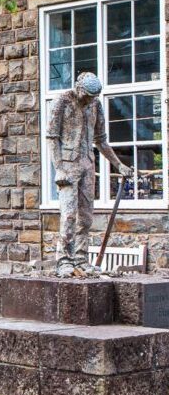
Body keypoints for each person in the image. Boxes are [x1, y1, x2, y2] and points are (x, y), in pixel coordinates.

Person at [46, 72, 133, 276]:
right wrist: (59, 168)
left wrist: (118, 165)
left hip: (87, 165)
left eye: (93, 97)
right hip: (68, 167)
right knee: (69, 215)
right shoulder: (62, 102)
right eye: (87, 96)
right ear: (78, 88)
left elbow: (100, 140)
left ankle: (81, 259)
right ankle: (64, 261)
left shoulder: (95, 105)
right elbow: (52, 137)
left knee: (85, 217)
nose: (89, 100)